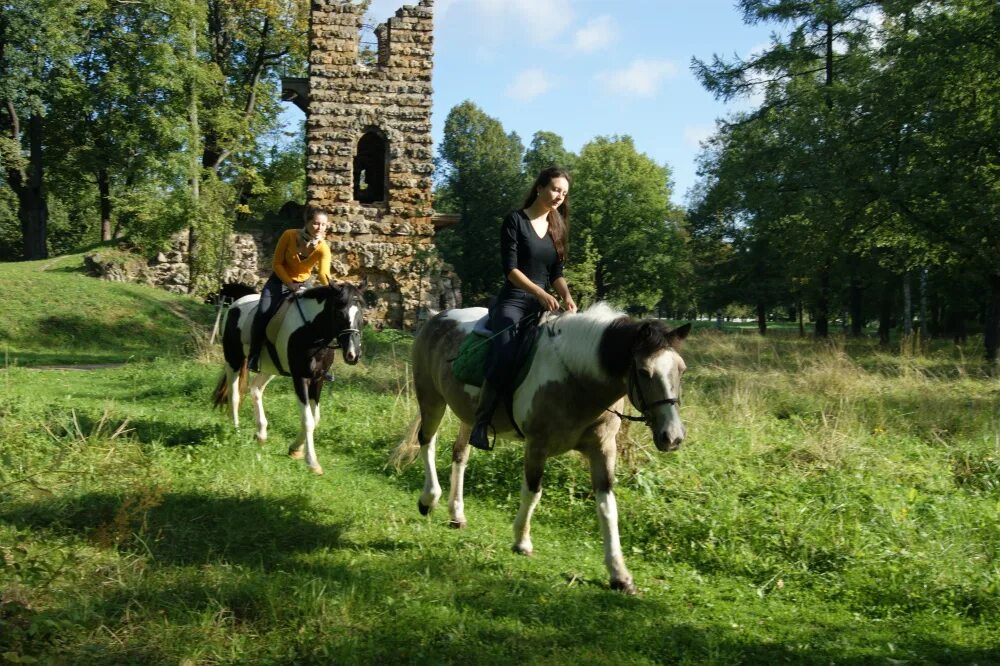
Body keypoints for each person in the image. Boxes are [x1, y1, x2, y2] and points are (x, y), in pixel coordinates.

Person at [470, 166, 577, 450]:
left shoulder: (557, 226)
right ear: (540, 187)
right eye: (555, 189)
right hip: (514, 301)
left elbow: (557, 271)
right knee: (505, 351)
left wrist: (566, 295)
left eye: (564, 193)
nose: (559, 197)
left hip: (546, 303)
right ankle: (481, 421)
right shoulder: (515, 221)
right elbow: (511, 270)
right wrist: (540, 293)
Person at [247, 205, 332, 372]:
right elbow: (277, 263)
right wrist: (288, 283)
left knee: (315, 319)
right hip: (278, 281)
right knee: (264, 312)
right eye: (315, 223)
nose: (319, 228)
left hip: (304, 284)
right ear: (307, 222)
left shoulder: (323, 248)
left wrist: (334, 288)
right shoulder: (289, 235)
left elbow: (323, 274)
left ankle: (319, 365)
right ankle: (254, 356)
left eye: (323, 225)